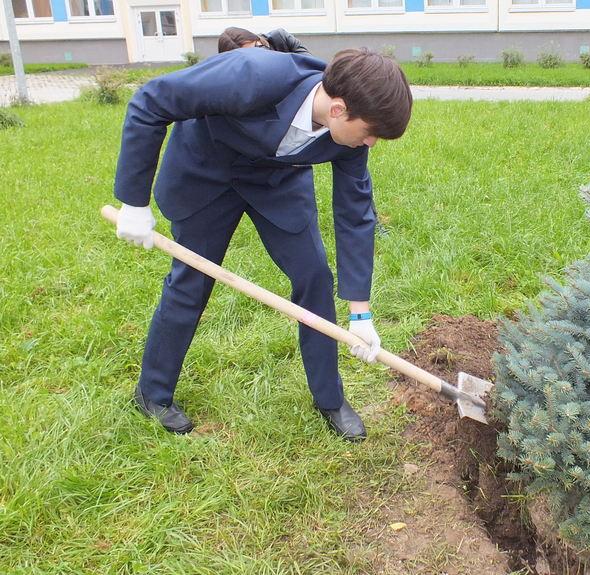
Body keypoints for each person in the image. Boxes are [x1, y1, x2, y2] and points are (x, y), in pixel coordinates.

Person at [113, 47, 413, 441]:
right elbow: (151, 102)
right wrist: (134, 202)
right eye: (370, 133)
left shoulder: (350, 138)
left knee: (315, 278)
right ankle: (152, 393)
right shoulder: (254, 74)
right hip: (206, 170)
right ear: (338, 109)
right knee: (191, 281)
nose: (371, 143)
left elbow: (354, 213)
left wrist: (361, 313)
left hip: (275, 181)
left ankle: (329, 398)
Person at [217, 26, 309, 54]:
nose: (259, 53)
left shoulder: (280, 38)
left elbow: (312, 65)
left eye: (258, 47)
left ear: (256, 37)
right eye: (251, 54)